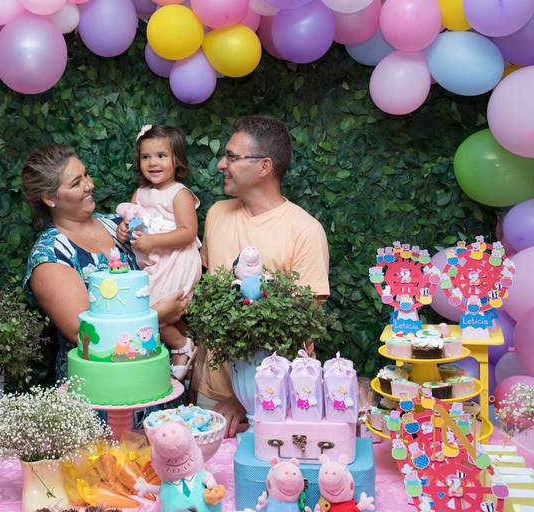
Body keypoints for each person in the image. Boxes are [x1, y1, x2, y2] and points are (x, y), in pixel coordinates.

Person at [197, 115, 330, 437]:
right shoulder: (216, 214)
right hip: (211, 394)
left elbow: (299, 330)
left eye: (232, 156)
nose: (221, 164)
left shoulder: (305, 231)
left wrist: (245, 396)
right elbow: (210, 303)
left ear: (264, 166)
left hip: (274, 399)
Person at [21, 144, 189, 379]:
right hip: (103, 384)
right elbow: (85, 336)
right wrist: (158, 315)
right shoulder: (51, 256)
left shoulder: (118, 225)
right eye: (76, 183)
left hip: (158, 374)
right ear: (50, 198)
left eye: (86, 175)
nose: (89, 185)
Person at [116, 125, 202, 380]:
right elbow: (133, 222)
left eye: (161, 156)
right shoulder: (140, 194)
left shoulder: (179, 194)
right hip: (152, 263)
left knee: (151, 307)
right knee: (153, 306)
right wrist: (123, 230)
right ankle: (187, 340)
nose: (153, 163)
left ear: (177, 160)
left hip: (176, 260)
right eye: (146, 157)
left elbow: (188, 232)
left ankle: (181, 346)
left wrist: (153, 241)